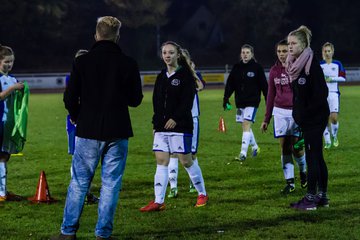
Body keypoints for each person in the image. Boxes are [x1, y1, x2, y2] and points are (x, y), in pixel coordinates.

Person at [53, 16, 143, 240]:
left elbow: (70, 97)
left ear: (96, 35)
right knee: (111, 184)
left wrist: (76, 117)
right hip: (118, 129)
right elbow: (135, 100)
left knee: (80, 182)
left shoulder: (82, 62)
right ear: (117, 37)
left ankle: (68, 232)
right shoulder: (128, 63)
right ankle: (103, 234)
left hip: (88, 129)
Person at [140, 41, 208, 212]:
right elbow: (156, 102)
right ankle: (158, 201)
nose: (167, 56)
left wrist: (176, 118)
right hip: (161, 127)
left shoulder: (185, 75)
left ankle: (202, 193)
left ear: (178, 55)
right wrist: (156, 123)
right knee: (161, 161)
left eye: (171, 52)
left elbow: (186, 102)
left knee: (186, 161)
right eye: (164, 53)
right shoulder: (161, 75)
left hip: (181, 126)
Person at [286, 25, 330, 210]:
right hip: (308, 119)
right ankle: (322, 197)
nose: (290, 46)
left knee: (312, 156)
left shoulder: (311, 64)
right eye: (288, 43)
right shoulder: (295, 64)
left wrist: (306, 114)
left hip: (315, 118)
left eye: (293, 43)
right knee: (317, 156)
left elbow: (322, 93)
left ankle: (311, 199)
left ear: (303, 45)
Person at [260, 40, 307, 194]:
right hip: (279, 112)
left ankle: (303, 170)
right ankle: (290, 183)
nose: (281, 54)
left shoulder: (297, 68)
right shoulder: (274, 71)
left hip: (296, 112)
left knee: (297, 148)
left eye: (284, 51)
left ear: (290, 51)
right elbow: (270, 95)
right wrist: (266, 119)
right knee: (284, 147)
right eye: (279, 51)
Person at [167, 49, 205, 198]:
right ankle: (173, 187)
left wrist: (191, 70)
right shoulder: (172, 74)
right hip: (178, 118)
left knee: (191, 153)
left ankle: (192, 183)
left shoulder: (190, 75)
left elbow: (200, 86)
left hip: (191, 118)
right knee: (173, 153)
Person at [65, 49, 99, 205]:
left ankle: (85, 192)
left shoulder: (92, 78)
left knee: (89, 159)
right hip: (76, 122)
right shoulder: (72, 78)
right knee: (78, 158)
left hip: (87, 121)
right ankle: (82, 192)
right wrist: (74, 116)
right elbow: (71, 99)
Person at [223, 44, 268, 161]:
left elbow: (264, 85)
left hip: (252, 101)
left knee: (247, 124)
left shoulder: (257, 67)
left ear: (252, 54)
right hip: (240, 102)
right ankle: (255, 146)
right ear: (240, 54)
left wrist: (268, 100)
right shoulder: (237, 67)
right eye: (243, 52)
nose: (245, 54)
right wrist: (226, 98)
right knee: (244, 126)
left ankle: (243, 153)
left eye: (247, 52)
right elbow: (230, 84)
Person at [0, 45, 25, 202]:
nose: (9, 64)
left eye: (11, 61)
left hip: (9, 124)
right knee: (1, 157)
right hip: (0, 122)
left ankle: (3, 191)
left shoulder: (12, 78)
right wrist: (13, 88)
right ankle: (1, 193)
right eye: (6, 61)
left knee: (5, 156)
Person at [320, 42, 346, 149]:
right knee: (324, 119)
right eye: (325, 51)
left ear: (332, 51)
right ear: (323, 52)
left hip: (334, 94)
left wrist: (331, 79)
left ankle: (334, 136)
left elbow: (343, 78)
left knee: (334, 118)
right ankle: (327, 141)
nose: (327, 53)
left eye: (329, 51)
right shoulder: (320, 65)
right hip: (322, 95)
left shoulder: (337, 64)